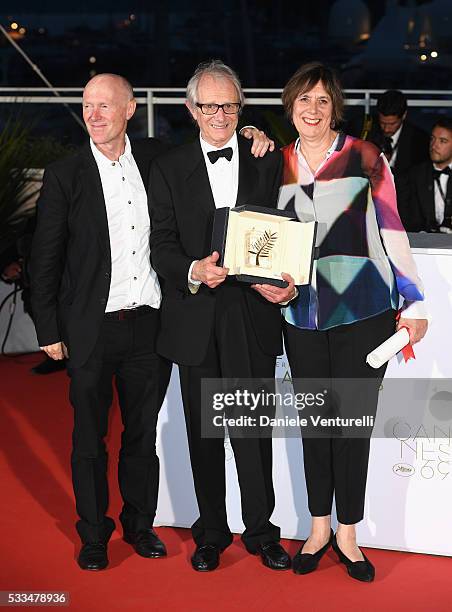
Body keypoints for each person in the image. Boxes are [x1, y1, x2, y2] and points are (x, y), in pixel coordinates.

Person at [278, 62, 428, 582]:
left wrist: (415, 305)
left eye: (322, 101)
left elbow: (395, 231)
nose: (313, 110)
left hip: (365, 312)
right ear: (289, 106)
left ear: (335, 107)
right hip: (300, 315)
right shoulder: (277, 164)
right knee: (315, 427)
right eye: (304, 100)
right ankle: (318, 527)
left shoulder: (366, 157)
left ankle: (348, 532)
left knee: (351, 427)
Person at [149, 60, 296, 572]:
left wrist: (286, 279)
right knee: (204, 434)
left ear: (240, 109)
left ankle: (261, 531)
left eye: (229, 105)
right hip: (195, 315)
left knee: (254, 429)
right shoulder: (167, 168)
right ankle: (211, 532)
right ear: (192, 110)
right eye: (210, 105)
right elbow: (161, 245)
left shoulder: (265, 159)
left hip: (252, 313)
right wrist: (192, 269)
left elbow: (288, 231)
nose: (220, 114)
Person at [30, 73, 174, 572]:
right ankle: (94, 534)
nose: (94, 114)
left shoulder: (157, 162)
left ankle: (140, 524)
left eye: (104, 105)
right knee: (89, 439)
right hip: (91, 328)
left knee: (141, 437)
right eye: (87, 105)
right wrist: (47, 328)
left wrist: (250, 135)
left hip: (149, 326)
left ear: (131, 109)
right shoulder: (65, 174)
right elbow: (43, 258)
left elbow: (208, 147)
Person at [396, 117, 452, 232]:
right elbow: (406, 217)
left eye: (442, 141)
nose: (434, 145)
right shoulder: (413, 175)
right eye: (432, 139)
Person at [368, 89, 430, 176]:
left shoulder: (419, 140)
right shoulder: (367, 133)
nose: (386, 129)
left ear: (404, 115)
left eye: (392, 124)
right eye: (382, 123)